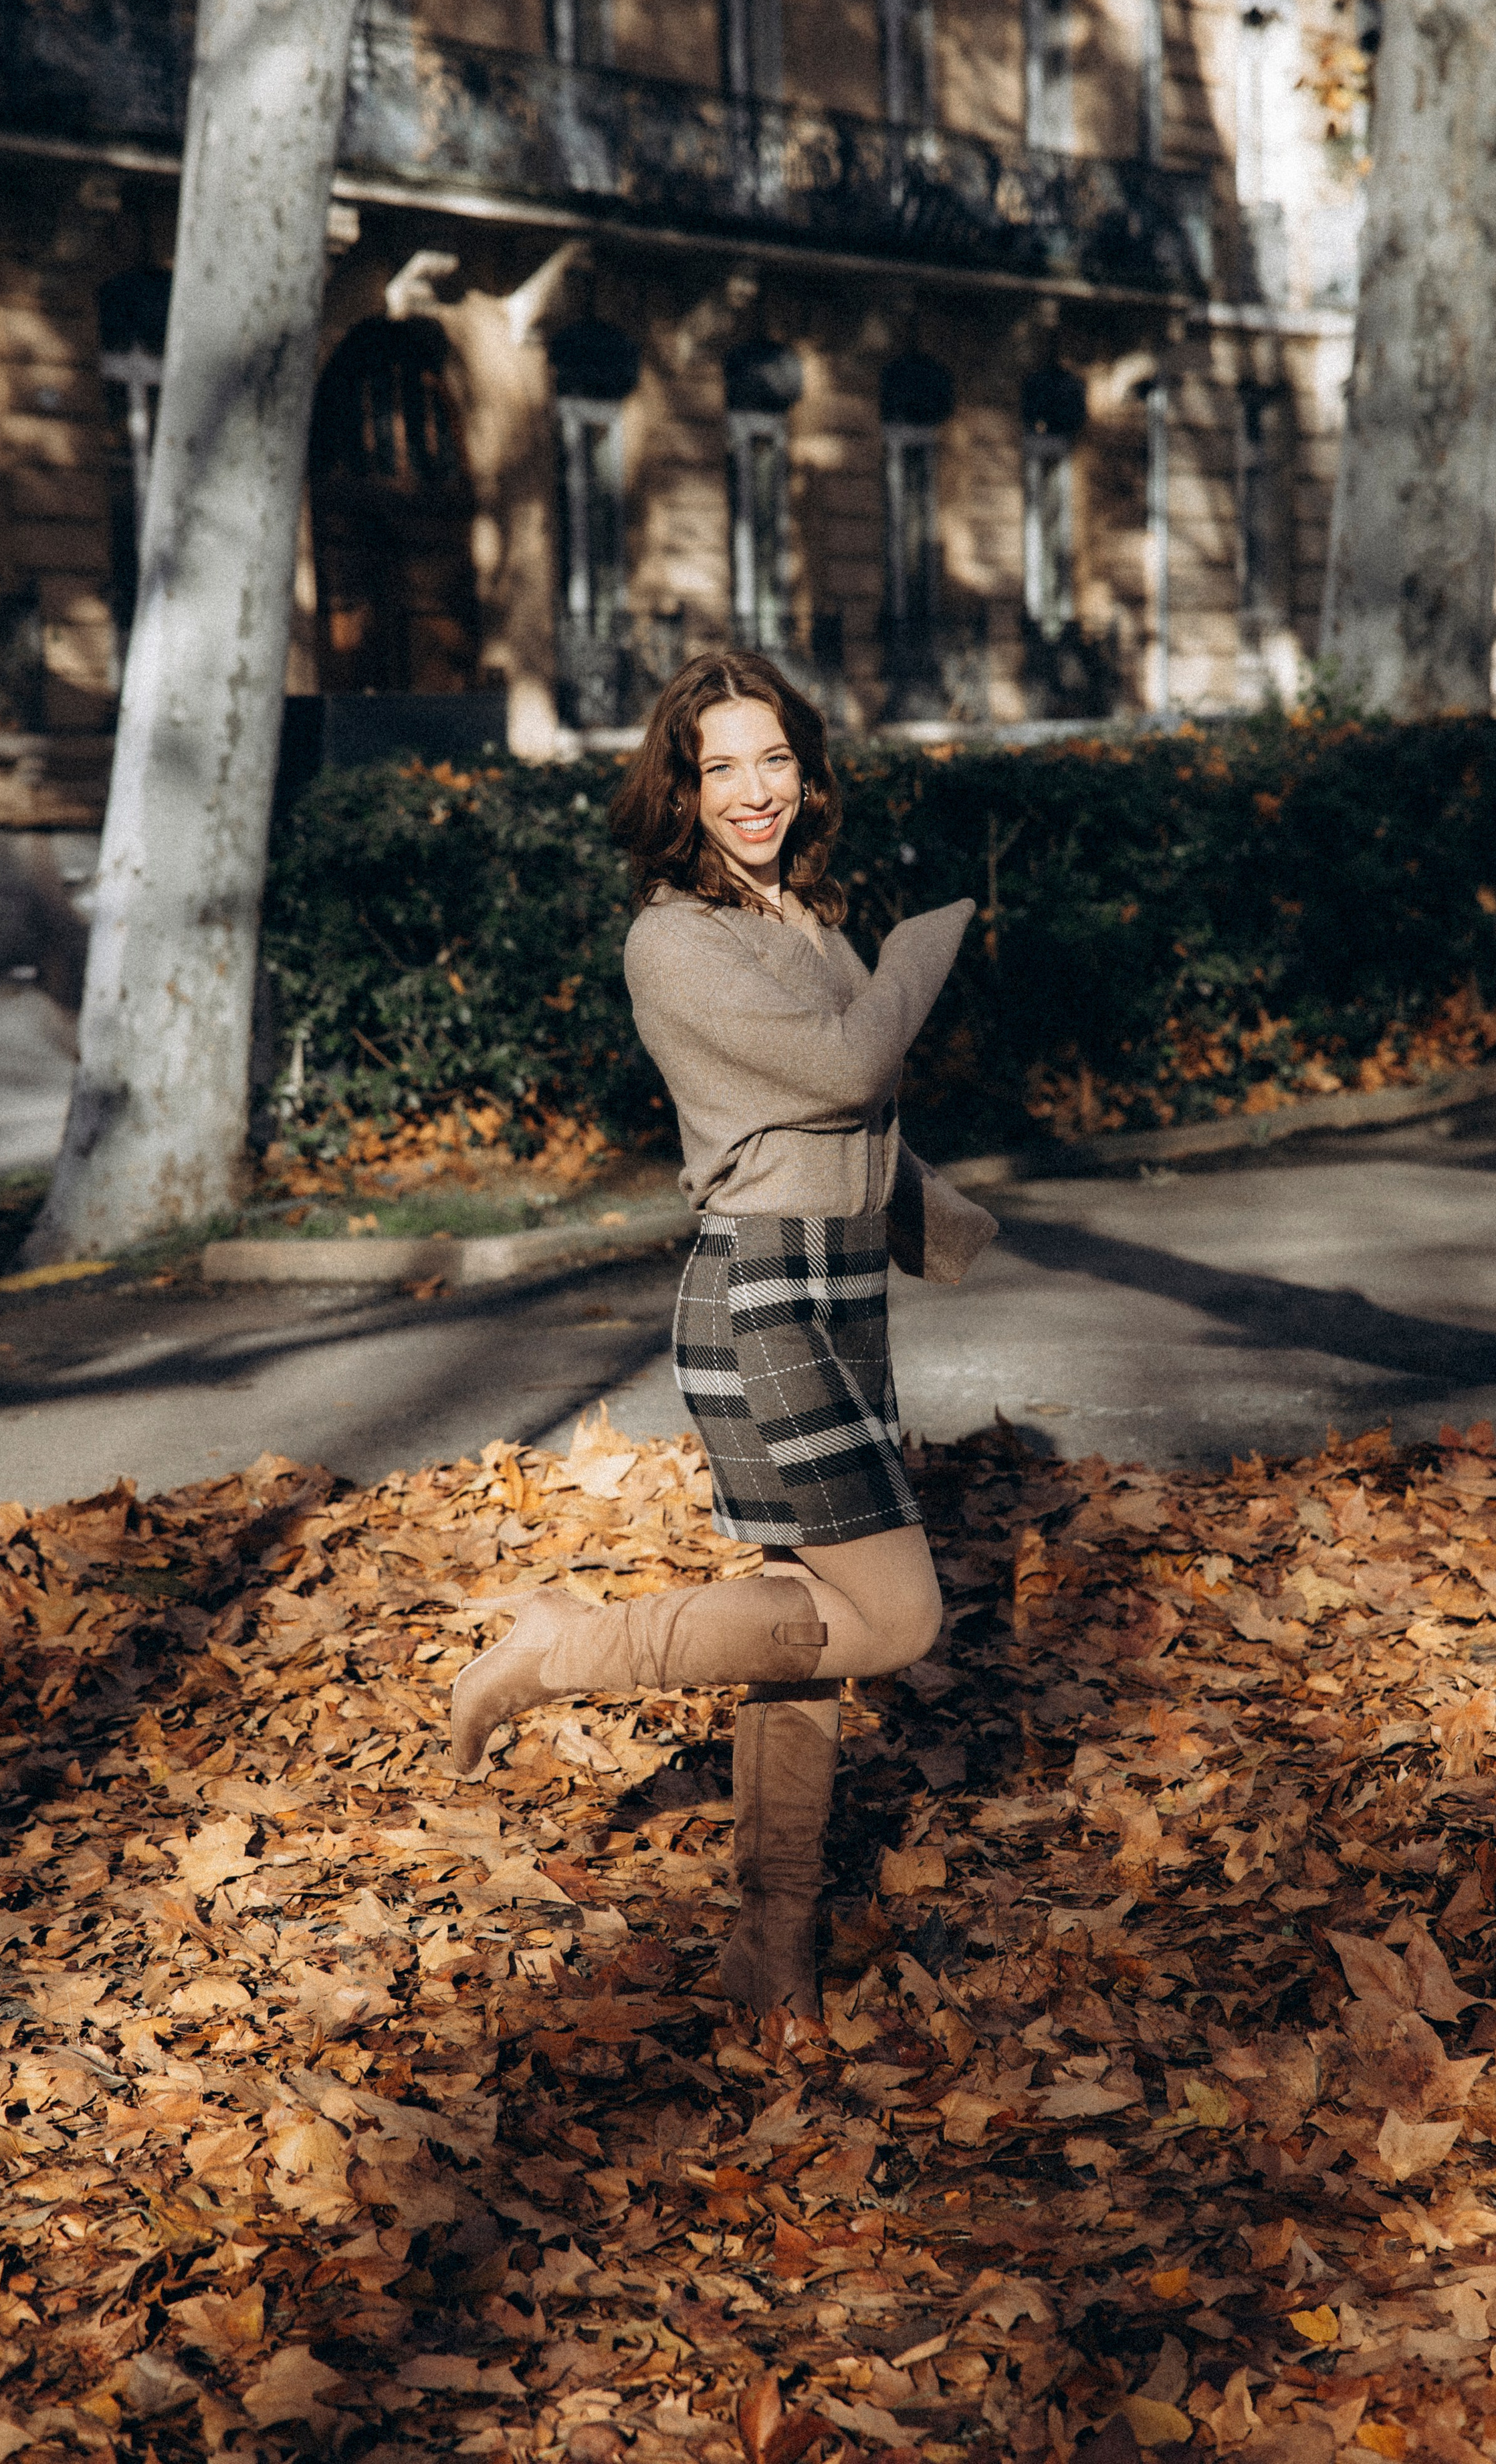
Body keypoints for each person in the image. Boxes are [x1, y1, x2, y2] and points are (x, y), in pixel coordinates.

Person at [451, 648, 996, 2020]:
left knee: (802, 1630)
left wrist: (934, 1218)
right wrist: (938, 934)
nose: (752, 792)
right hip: (757, 1300)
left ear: (803, 774)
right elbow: (844, 1067)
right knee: (894, 1616)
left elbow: (843, 1122)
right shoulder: (670, 938)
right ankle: (557, 1652)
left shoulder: (804, 917)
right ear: (678, 793)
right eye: (719, 770)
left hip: (834, 1295)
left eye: (772, 761)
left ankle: (772, 1946)